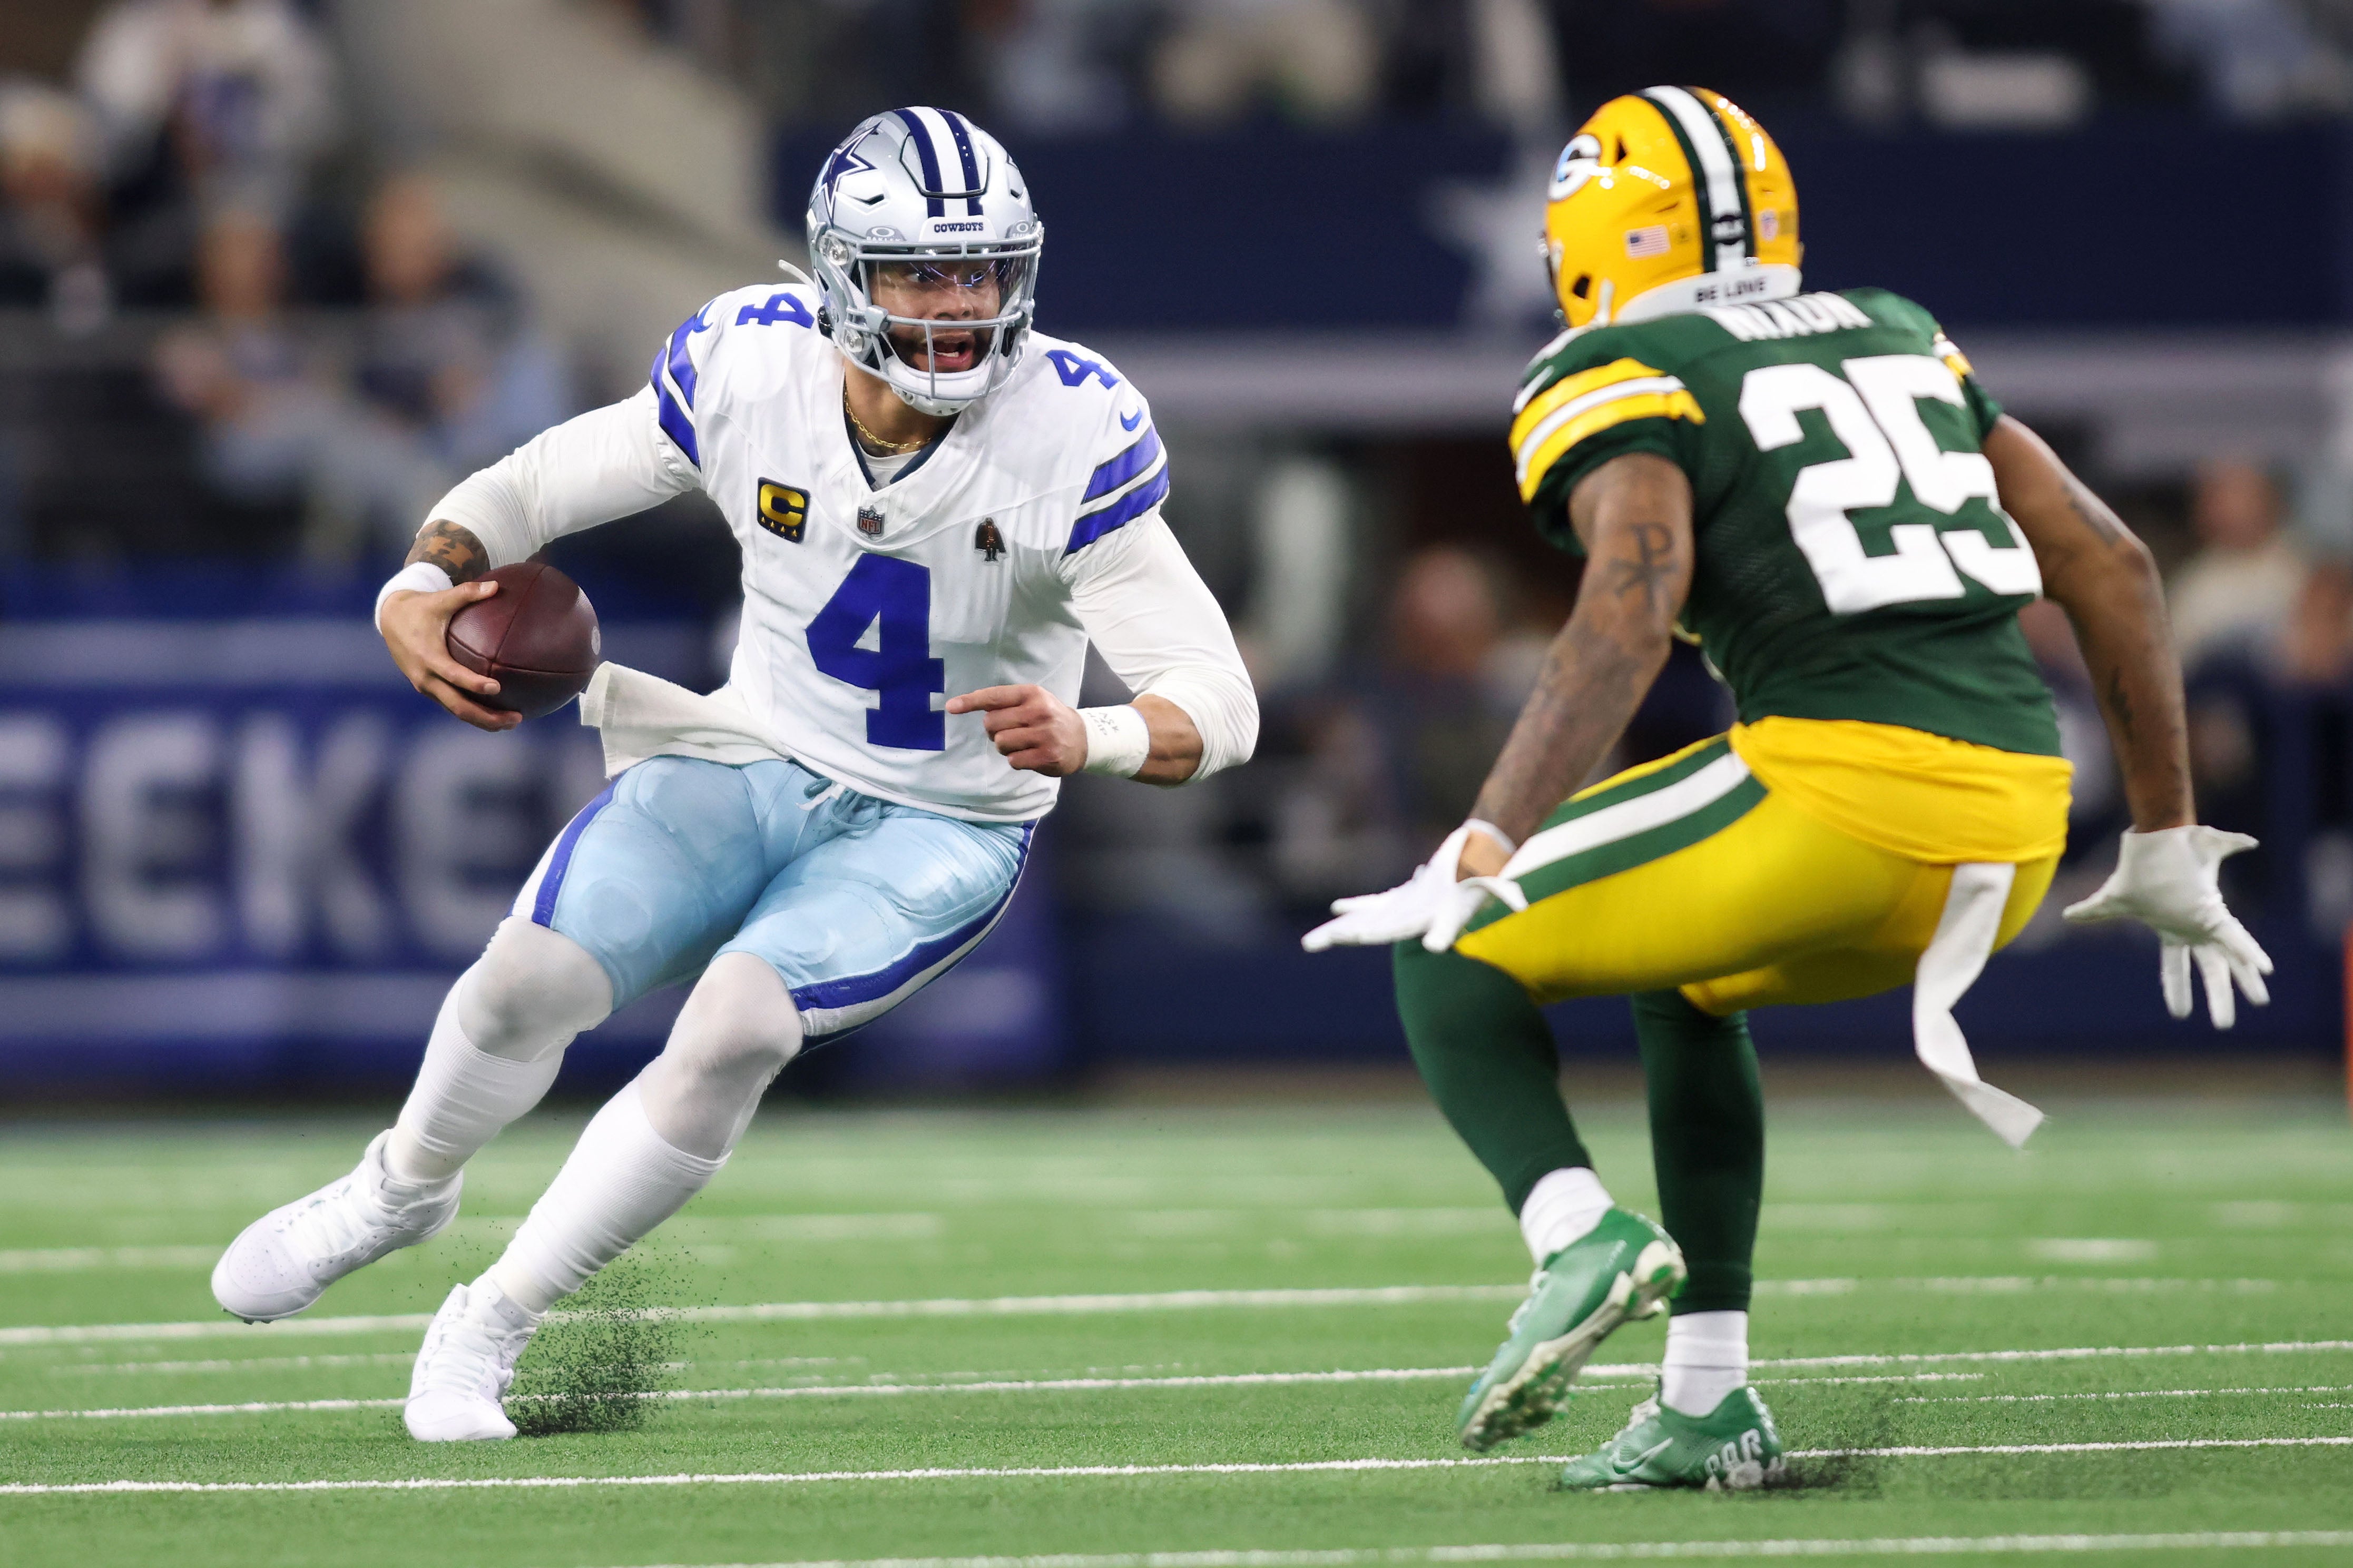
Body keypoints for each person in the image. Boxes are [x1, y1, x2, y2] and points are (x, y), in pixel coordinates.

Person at [209, 107, 1258, 1442]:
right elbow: (539, 484)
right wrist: (422, 577)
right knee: (526, 975)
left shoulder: (1071, 427)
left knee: (737, 1026)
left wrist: (1094, 734)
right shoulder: (748, 366)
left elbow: (1218, 703)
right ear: (835, 278)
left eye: (983, 271)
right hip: (753, 749)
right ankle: (403, 1186)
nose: (961, 304)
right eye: (923, 273)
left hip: (941, 817)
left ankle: (491, 1323)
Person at [1304, 85, 2269, 1491]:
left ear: (1595, 242)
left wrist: (1483, 834)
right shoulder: (1896, 329)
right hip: (2020, 820)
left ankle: (1577, 1233)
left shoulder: (1620, 363)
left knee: (1452, 943)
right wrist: (2169, 836)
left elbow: (1632, 609)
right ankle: (1708, 1400)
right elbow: (2111, 560)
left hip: (1840, 797)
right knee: (1686, 982)